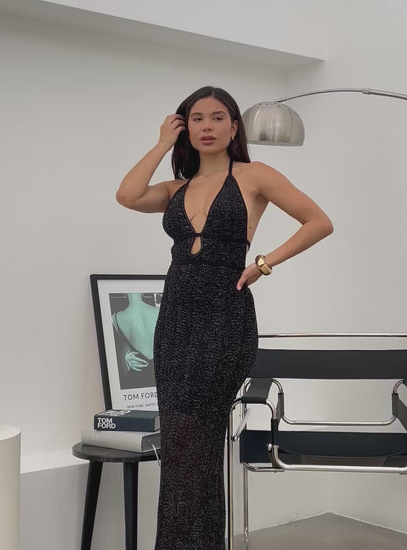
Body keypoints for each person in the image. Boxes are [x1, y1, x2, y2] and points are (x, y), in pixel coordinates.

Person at [116, 86, 333, 550]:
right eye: (196, 118)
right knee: (181, 446)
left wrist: (263, 264)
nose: (207, 127)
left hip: (224, 319)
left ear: (234, 127)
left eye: (218, 117)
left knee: (197, 441)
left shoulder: (255, 176)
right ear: (185, 127)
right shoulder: (176, 188)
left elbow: (319, 222)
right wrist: (161, 143)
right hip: (175, 322)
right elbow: (127, 195)